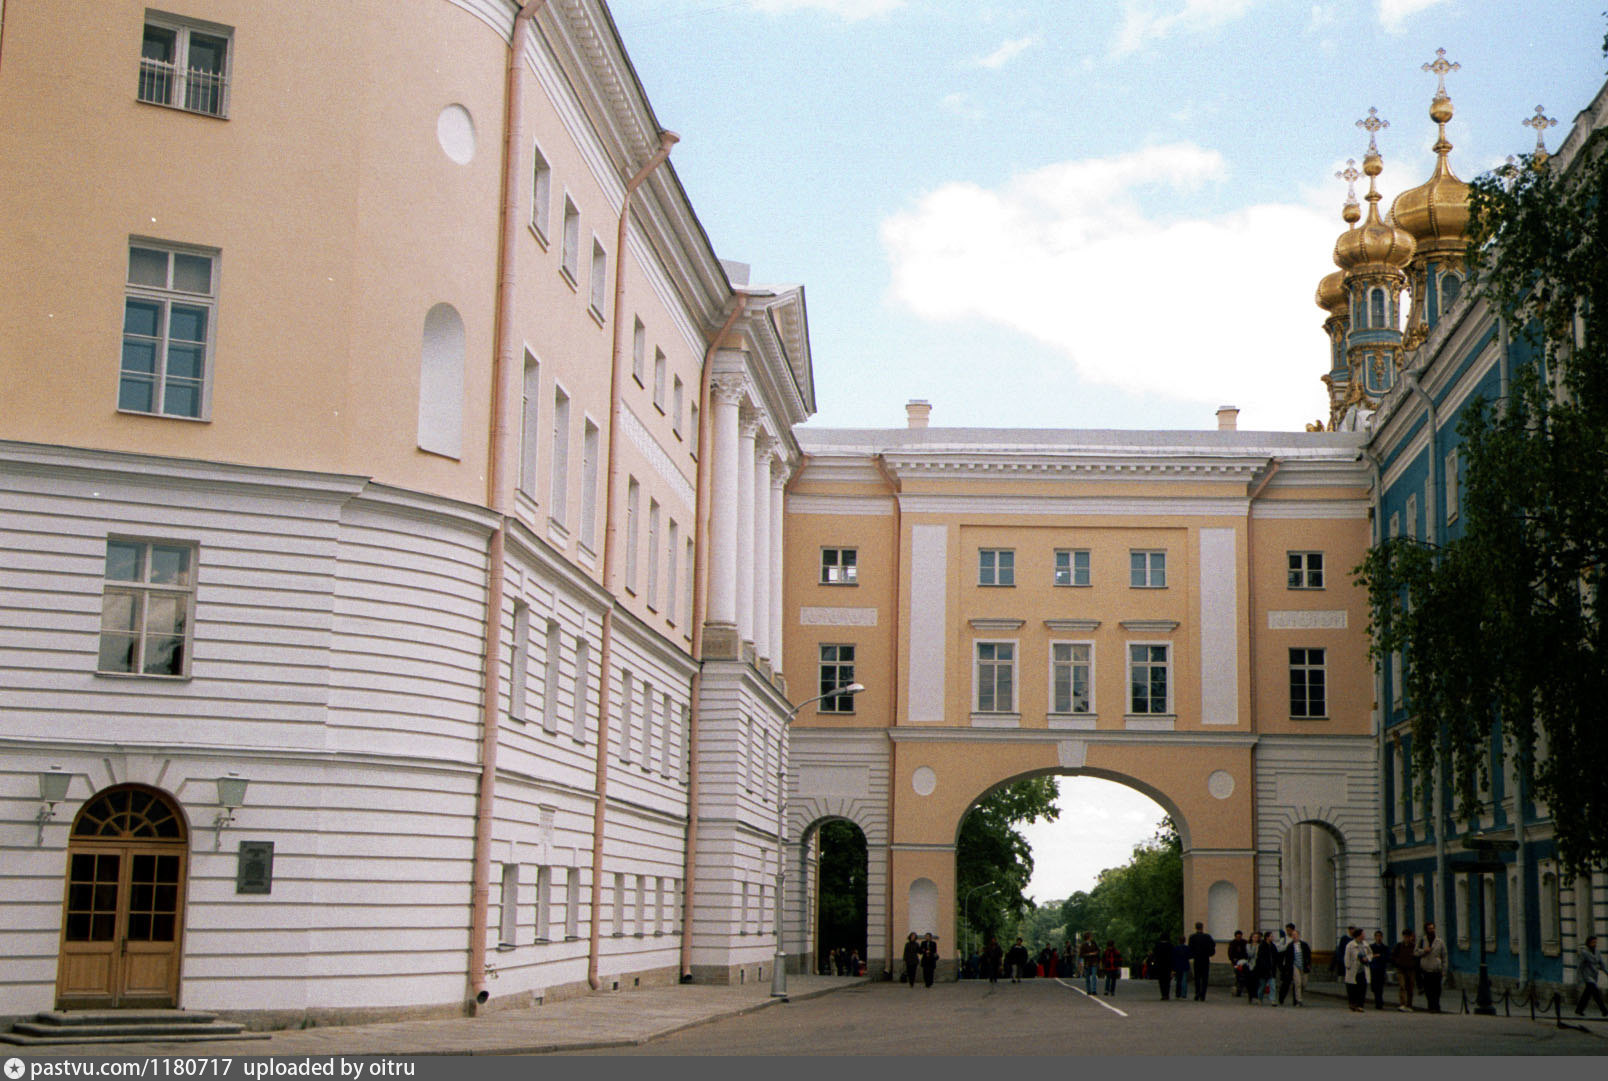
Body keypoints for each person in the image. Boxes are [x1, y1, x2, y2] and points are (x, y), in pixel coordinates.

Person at [1415, 921, 1448, 1013]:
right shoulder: (1422, 940)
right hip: (1426, 969)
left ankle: (1436, 1005)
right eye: (1429, 928)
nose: (1431, 930)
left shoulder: (1439, 941)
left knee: (1437, 989)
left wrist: (1444, 969)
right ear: (1426, 930)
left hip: (1436, 969)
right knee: (1428, 990)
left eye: (1433, 928)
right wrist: (1423, 951)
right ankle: (1431, 1006)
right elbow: (1415, 952)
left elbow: (1444, 955)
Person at [1279, 925, 1311, 1006]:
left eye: (1296, 935)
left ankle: (1299, 996)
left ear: (1299, 936)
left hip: (1303, 966)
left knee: (1304, 983)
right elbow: (1287, 958)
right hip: (1295, 966)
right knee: (1298, 983)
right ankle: (1298, 1000)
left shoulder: (1304, 945)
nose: (1294, 937)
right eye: (1293, 935)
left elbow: (1308, 955)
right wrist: (1286, 968)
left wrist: (1308, 964)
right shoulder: (1290, 946)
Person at [1575, 935, 1607, 1017]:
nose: (1594, 944)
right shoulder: (1584, 952)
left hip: (1594, 975)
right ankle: (1604, 1010)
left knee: (1587, 994)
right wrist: (1579, 978)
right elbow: (1580, 966)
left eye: (1595, 942)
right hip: (1587, 976)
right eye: (1593, 942)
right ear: (1588, 943)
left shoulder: (1597, 952)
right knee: (1596, 993)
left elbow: (1601, 964)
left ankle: (1579, 1009)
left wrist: (1606, 972)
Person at [1344, 927, 1371, 1012]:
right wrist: (1348, 966)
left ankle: (1360, 1005)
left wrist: (1368, 958)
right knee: (1352, 987)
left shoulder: (1365, 944)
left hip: (1363, 968)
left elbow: (1370, 953)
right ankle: (1353, 1003)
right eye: (1363, 934)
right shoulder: (1350, 945)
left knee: (1362, 988)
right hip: (1353, 969)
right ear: (1358, 935)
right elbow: (1347, 957)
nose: (1364, 935)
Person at [1391, 928, 1418, 1011]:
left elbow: (1417, 957)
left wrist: (1414, 965)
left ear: (1410, 937)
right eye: (1405, 936)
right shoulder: (1399, 946)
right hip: (1401, 969)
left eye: (1408, 936)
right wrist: (1397, 963)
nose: (1406, 938)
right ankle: (1402, 1004)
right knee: (1402, 986)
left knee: (1410, 987)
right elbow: (1393, 956)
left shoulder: (1414, 946)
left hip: (1411, 969)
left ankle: (1409, 1004)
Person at [1188, 921, 1216, 1000]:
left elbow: (1190, 949)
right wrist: (1210, 953)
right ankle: (1203, 994)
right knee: (1204, 977)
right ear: (1202, 927)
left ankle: (1197, 993)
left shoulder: (1192, 937)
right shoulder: (1207, 937)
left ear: (1195, 927)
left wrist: (1192, 955)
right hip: (1205, 959)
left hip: (1197, 959)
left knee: (1197, 977)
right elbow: (1212, 946)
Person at [1368, 930, 1389, 1009]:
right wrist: (1373, 956)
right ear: (1375, 937)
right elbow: (1369, 956)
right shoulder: (1371, 947)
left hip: (1381, 969)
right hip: (1373, 969)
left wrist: (1380, 956)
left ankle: (1379, 1002)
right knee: (1374, 987)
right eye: (1377, 936)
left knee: (1380, 987)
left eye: (1380, 936)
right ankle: (1377, 1000)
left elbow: (1387, 957)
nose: (1378, 938)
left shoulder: (1385, 947)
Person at [1152, 933, 1175, 1000]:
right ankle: (1167, 994)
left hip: (1160, 964)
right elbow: (1172, 956)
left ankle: (1163, 994)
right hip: (1168, 965)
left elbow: (1155, 955)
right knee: (1167, 980)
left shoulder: (1157, 945)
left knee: (1161, 980)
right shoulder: (1170, 945)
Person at [1227, 930, 1249, 997]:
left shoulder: (1244, 942)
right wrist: (1233, 961)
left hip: (1244, 962)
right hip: (1236, 962)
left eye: (1240, 936)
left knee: (1244, 976)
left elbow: (1247, 952)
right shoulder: (1233, 943)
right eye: (1238, 936)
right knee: (1238, 976)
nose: (1239, 937)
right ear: (1235, 936)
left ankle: (1242, 989)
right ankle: (1238, 990)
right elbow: (1230, 953)